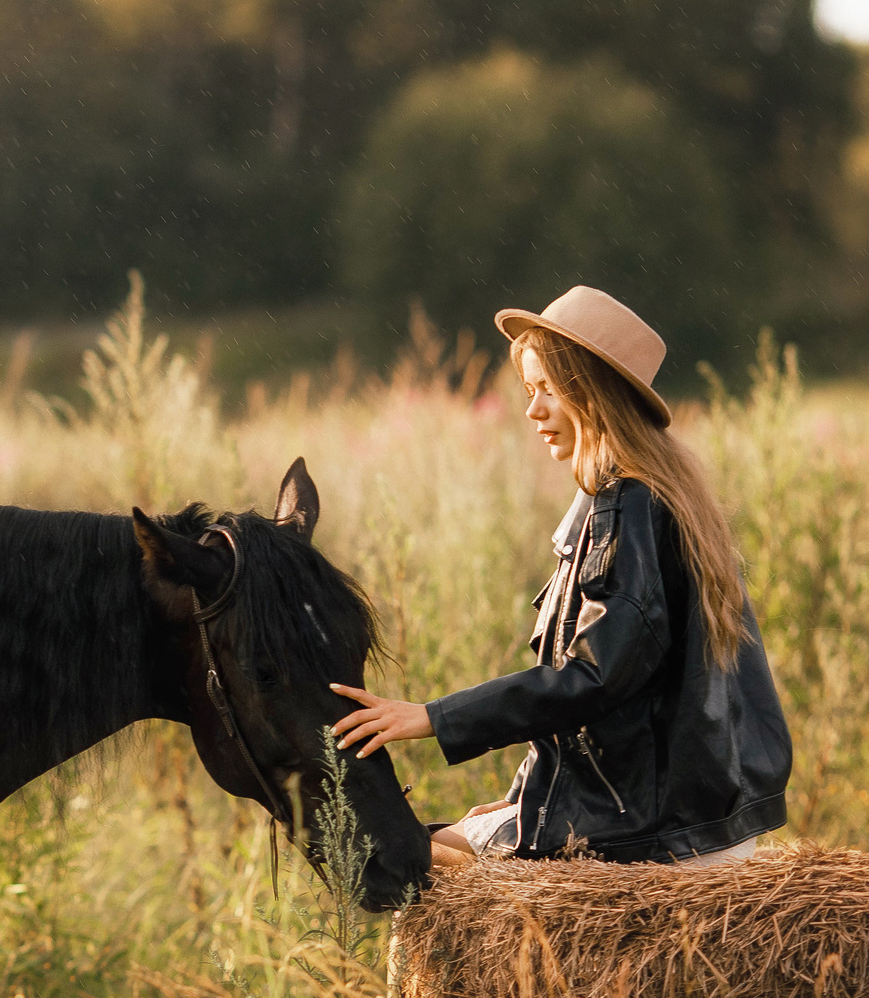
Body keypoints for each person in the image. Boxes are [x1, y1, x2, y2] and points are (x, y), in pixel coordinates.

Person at [330, 284, 792, 864]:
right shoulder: (656, 495)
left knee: (402, 853)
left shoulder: (630, 507)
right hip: (680, 815)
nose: (532, 410)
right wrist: (520, 804)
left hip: (649, 832)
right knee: (445, 840)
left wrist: (430, 717)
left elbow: (593, 681)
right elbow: (606, 716)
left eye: (547, 389)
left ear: (592, 393)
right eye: (528, 391)